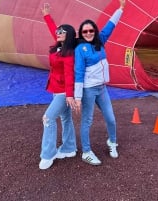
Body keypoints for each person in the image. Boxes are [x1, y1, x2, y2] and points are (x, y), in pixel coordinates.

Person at [74, 0, 126, 165]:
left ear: (94, 31)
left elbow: (110, 25)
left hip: (102, 89)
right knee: (87, 121)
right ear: (81, 33)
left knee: (111, 119)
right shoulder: (80, 49)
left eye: (91, 30)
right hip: (89, 90)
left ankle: (112, 142)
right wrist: (77, 96)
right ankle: (86, 152)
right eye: (85, 31)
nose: (88, 33)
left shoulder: (100, 41)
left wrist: (121, 9)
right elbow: (79, 72)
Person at [39, 3, 77, 170]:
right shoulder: (59, 46)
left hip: (63, 92)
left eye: (62, 32)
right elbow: (53, 29)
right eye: (58, 31)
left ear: (68, 36)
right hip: (56, 89)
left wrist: (69, 95)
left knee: (48, 118)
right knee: (65, 118)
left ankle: (48, 154)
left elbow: (70, 76)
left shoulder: (69, 54)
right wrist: (47, 15)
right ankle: (69, 148)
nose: (58, 33)